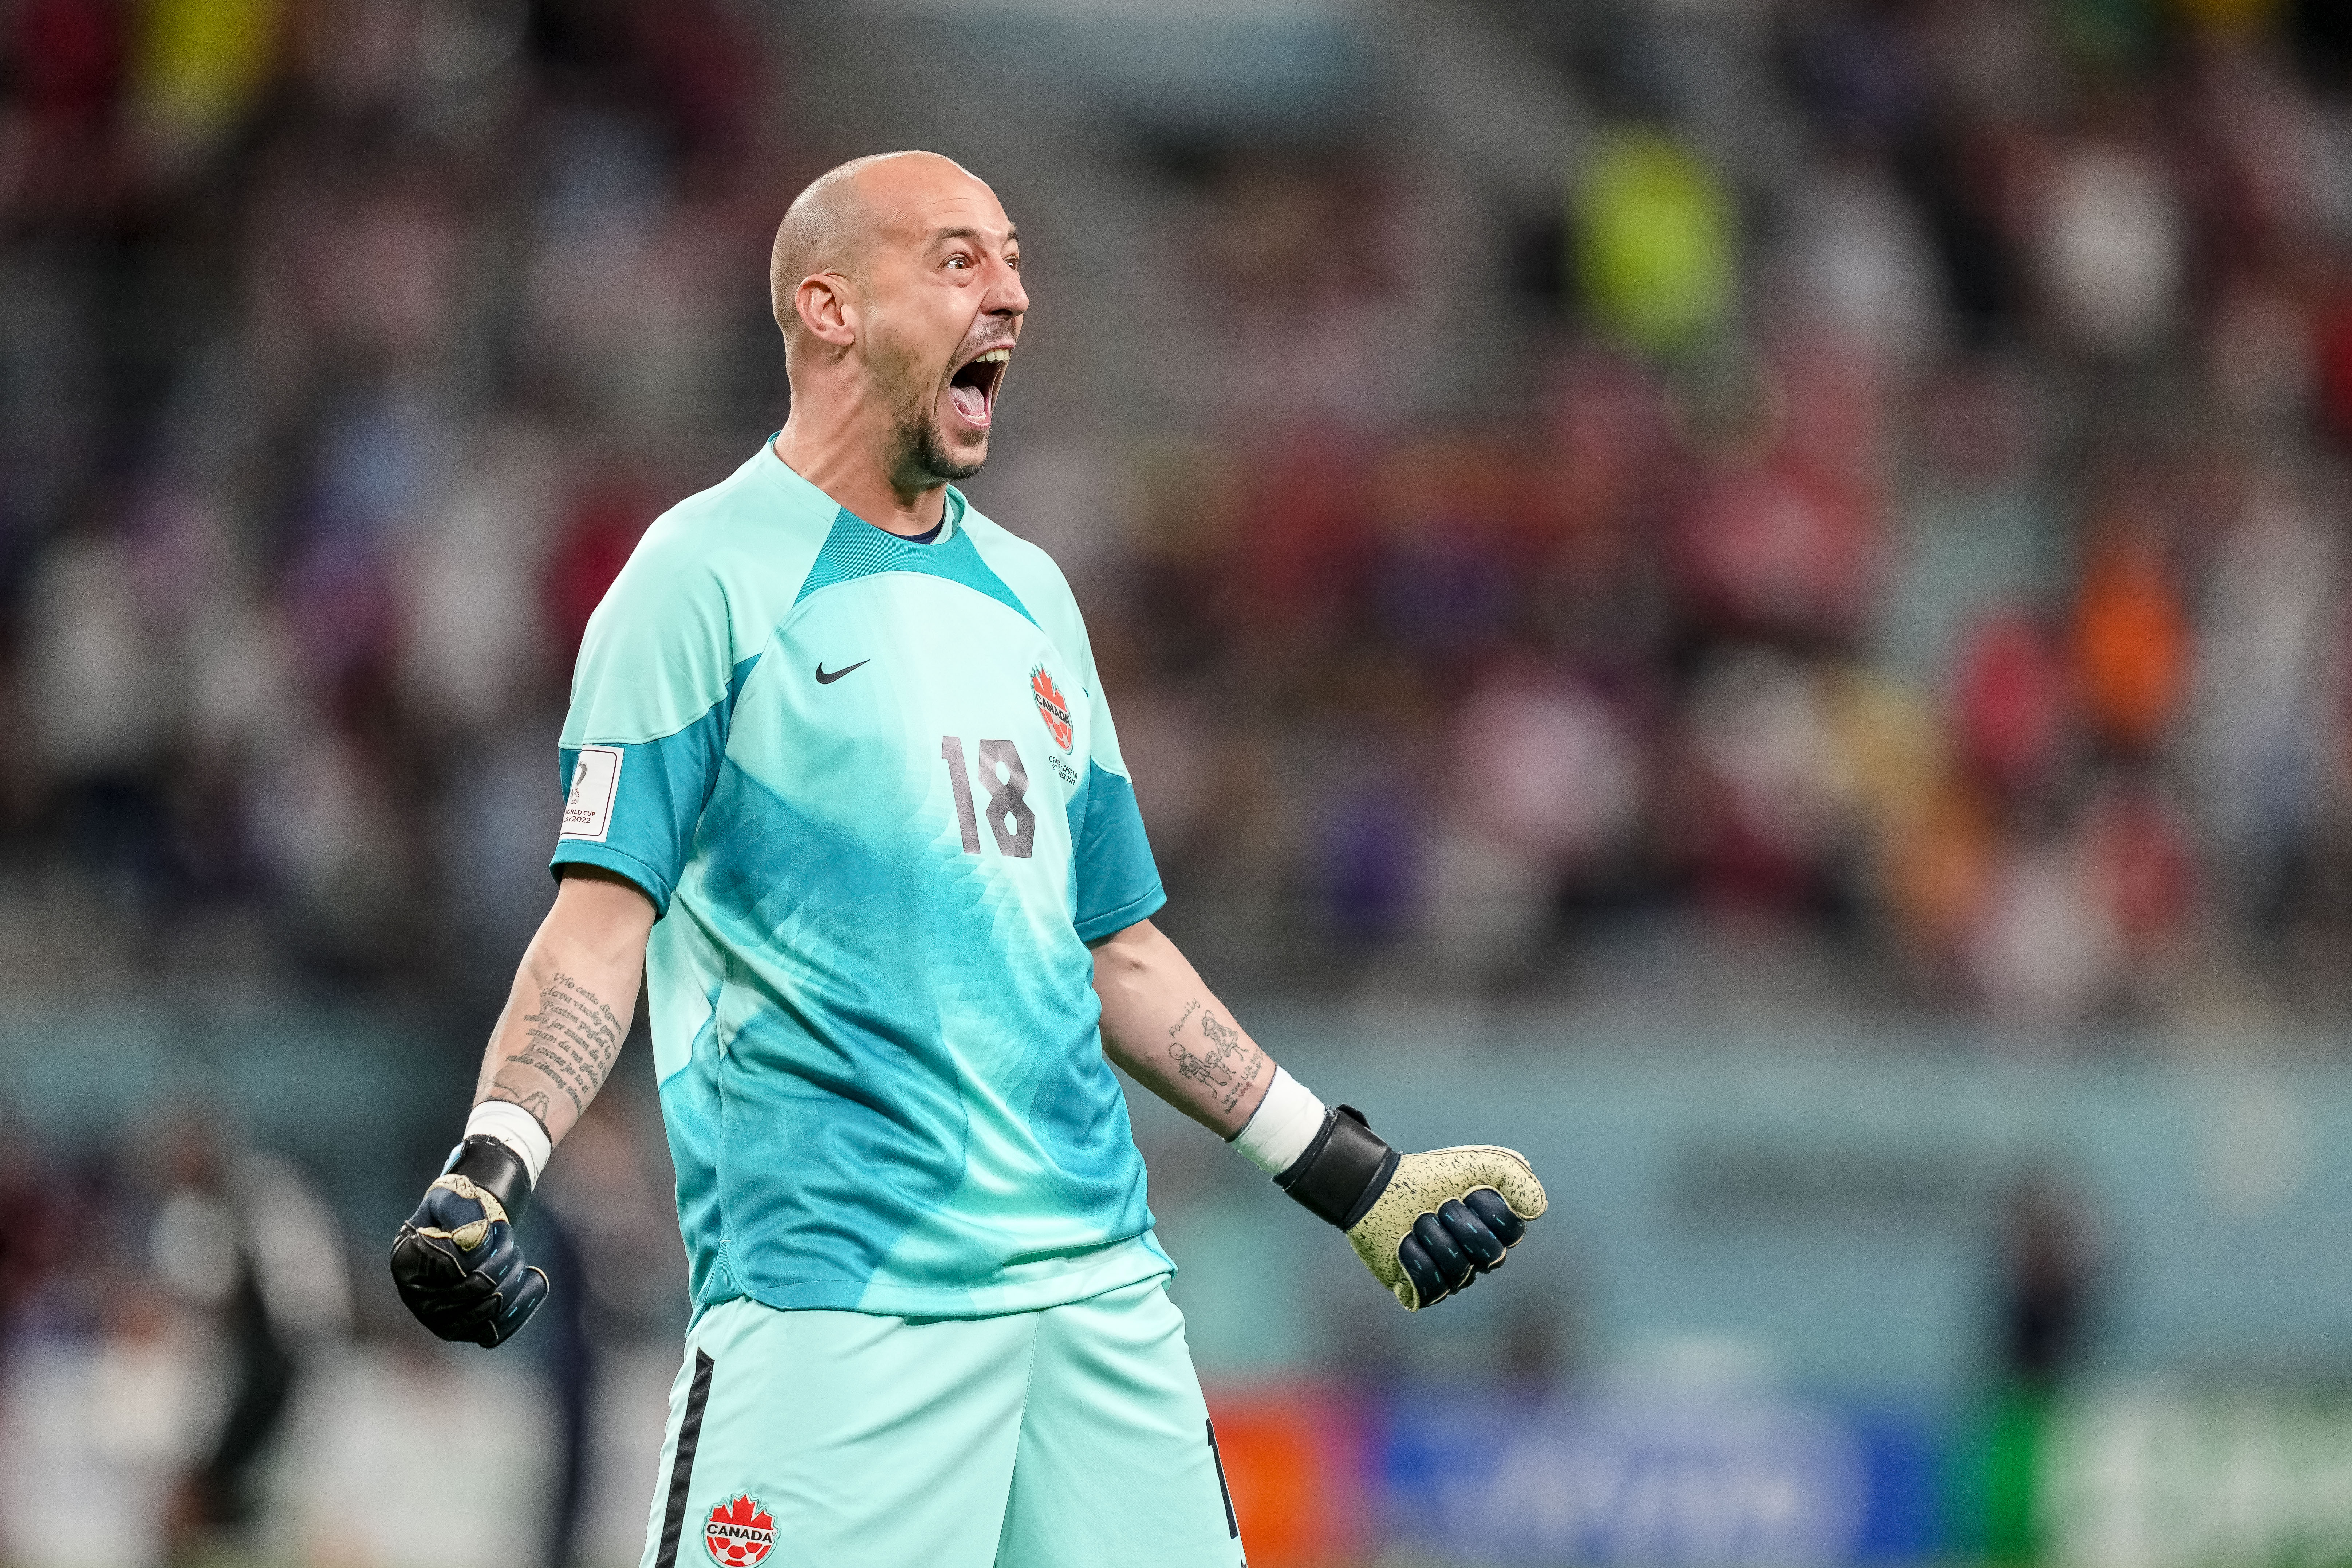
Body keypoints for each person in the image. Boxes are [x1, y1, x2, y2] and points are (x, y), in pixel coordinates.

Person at [389, 151, 1546, 1568]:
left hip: (1100, 1313)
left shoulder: (1033, 599)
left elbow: (1111, 952)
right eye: (955, 260)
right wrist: (493, 1162)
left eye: (1009, 256)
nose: (1011, 289)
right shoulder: (697, 579)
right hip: (842, 1312)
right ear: (828, 309)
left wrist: (1351, 1174)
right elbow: (597, 924)